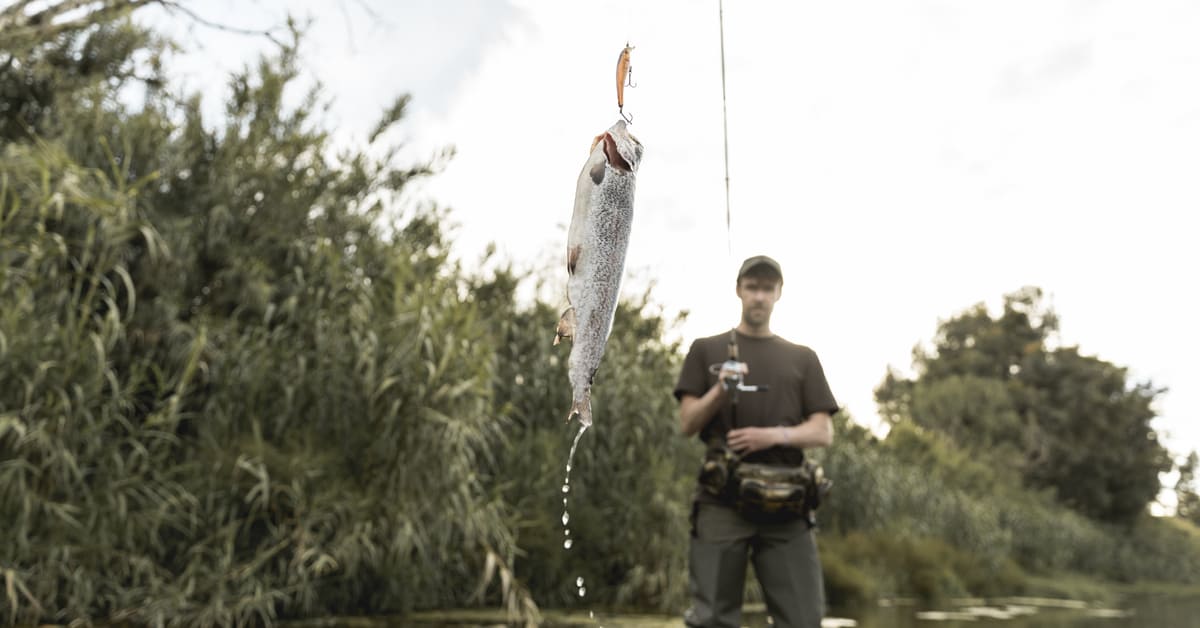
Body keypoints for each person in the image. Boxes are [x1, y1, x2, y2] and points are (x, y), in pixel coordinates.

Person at [673, 255, 838, 628]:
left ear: (779, 293)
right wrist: (719, 390)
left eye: (767, 288)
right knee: (711, 618)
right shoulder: (706, 350)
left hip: (788, 507)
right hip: (721, 501)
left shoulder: (803, 357)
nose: (759, 296)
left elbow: (822, 431)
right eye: (752, 287)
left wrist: (774, 436)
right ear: (739, 291)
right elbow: (686, 423)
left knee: (803, 619)